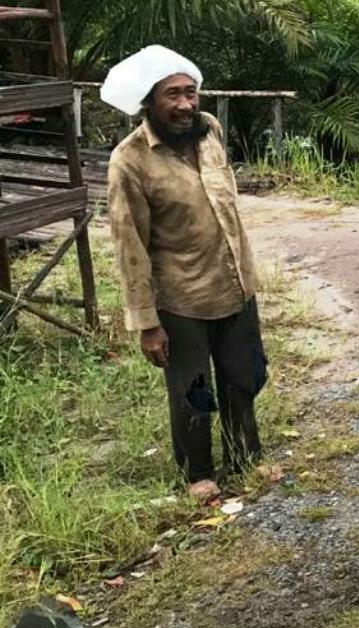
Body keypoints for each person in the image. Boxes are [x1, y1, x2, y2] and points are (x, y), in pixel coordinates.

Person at [103, 46, 267, 501]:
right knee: (193, 391)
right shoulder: (130, 160)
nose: (185, 105)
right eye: (171, 95)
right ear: (149, 104)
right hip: (181, 298)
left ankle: (245, 460)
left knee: (244, 379)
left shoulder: (210, 130)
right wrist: (146, 322)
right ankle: (199, 473)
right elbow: (129, 244)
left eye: (190, 93)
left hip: (235, 283)